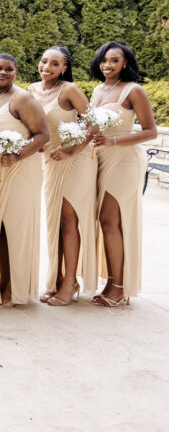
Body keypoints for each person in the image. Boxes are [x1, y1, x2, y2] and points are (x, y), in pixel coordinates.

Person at [89, 41, 157, 307]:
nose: (108, 65)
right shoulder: (98, 90)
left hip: (124, 159)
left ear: (125, 63)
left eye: (114, 60)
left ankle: (119, 286)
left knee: (112, 221)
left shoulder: (133, 90)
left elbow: (150, 131)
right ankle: (111, 282)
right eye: (104, 60)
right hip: (101, 158)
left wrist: (113, 141)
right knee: (105, 222)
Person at [28, 46, 97, 306]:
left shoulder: (69, 90)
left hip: (75, 160)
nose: (47, 67)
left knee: (68, 220)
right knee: (54, 221)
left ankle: (70, 282)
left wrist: (71, 150)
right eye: (44, 61)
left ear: (64, 68)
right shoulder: (32, 89)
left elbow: (94, 122)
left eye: (55, 64)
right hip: (50, 160)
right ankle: (55, 280)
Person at [0, 54, 49, 307]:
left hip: (19, 170)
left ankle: (14, 288)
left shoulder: (22, 98)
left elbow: (42, 135)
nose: (3, 72)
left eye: (9, 69)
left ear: (15, 73)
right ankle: (1, 281)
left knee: (15, 229)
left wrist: (18, 155)